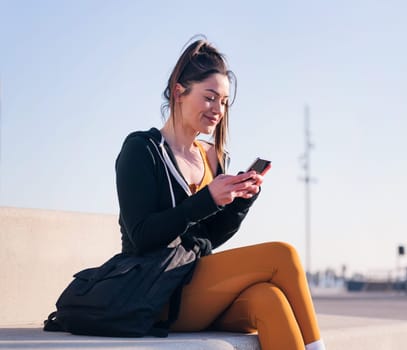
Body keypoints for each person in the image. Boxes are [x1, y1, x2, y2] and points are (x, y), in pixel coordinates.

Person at [114, 36, 326, 350]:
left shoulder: (212, 157)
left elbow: (208, 239)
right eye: (210, 97)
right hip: (154, 291)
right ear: (179, 92)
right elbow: (143, 236)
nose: (218, 110)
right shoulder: (142, 150)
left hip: (197, 286)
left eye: (224, 102)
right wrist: (207, 199)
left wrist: (241, 201)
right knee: (282, 255)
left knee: (269, 300)